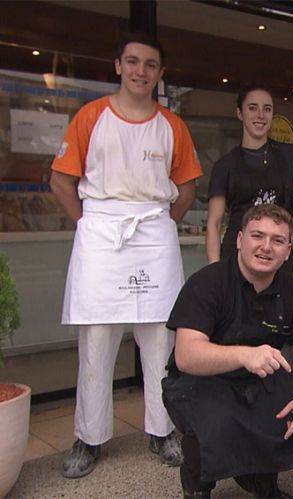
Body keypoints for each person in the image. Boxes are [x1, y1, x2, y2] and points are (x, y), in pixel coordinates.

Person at [49, 32, 202, 479]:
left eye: (150, 65)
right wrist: (90, 222)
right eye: (132, 62)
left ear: (160, 73)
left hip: (154, 233)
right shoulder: (90, 117)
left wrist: (159, 223)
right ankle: (88, 437)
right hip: (100, 233)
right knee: (97, 339)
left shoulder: (172, 126)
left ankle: (163, 430)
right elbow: (61, 180)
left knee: (160, 337)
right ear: (118, 65)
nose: (141, 71)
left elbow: (187, 186)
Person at [162, 204, 293, 498]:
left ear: (288, 250)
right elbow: (186, 356)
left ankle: (260, 476)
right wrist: (245, 355)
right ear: (239, 240)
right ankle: (198, 481)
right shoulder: (208, 282)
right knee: (217, 421)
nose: (266, 247)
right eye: (257, 236)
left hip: (260, 381)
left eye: (277, 240)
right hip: (201, 382)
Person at [205, 85, 293, 272]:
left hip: (278, 254)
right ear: (239, 113)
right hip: (236, 256)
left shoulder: (289, 155)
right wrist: (214, 272)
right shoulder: (225, 165)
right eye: (252, 108)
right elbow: (213, 223)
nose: (260, 115)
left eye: (267, 109)